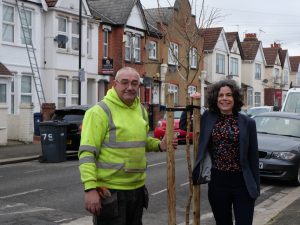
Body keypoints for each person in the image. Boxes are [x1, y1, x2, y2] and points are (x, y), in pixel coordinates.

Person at [78, 67, 176, 225]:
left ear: (139, 86)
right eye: (124, 82)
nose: (130, 87)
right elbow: (87, 153)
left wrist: (159, 145)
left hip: (137, 190)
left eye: (134, 83)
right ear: (115, 84)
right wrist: (90, 188)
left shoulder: (141, 110)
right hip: (110, 192)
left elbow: (141, 141)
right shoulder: (99, 112)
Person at [192, 79, 260, 225]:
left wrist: (256, 188)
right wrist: (194, 101)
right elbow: (187, 125)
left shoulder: (248, 123)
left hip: (243, 183)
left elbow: (253, 157)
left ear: (235, 98)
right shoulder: (207, 118)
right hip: (218, 182)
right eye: (220, 95)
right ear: (215, 99)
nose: (224, 98)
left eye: (228, 95)